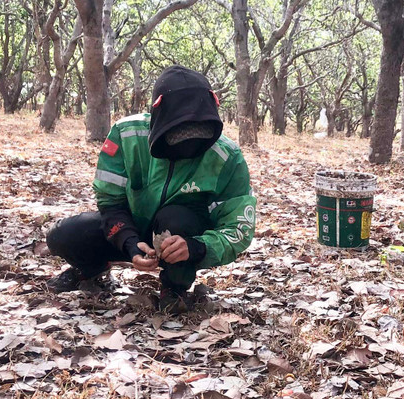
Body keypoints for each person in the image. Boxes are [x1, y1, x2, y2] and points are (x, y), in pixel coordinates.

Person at [46, 65, 256, 311]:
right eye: (178, 133)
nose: (188, 142)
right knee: (64, 235)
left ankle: (175, 286)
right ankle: (93, 270)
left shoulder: (227, 156)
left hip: (184, 237)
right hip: (130, 229)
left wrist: (197, 247)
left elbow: (239, 230)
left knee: (176, 218)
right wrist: (129, 243)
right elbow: (110, 202)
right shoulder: (126, 135)